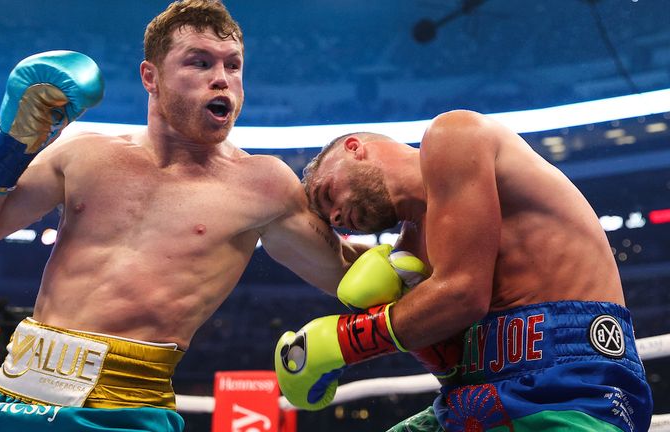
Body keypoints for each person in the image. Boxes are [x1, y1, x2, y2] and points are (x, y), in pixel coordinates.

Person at [0, 1, 363, 430]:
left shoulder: (264, 184)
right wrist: (12, 139)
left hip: (123, 411)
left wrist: (417, 223)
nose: (222, 80)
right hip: (8, 391)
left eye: (233, 65)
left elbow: (350, 279)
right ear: (150, 77)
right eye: (200, 63)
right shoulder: (85, 154)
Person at [274, 111, 654, 431]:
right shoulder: (411, 251)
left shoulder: (452, 137)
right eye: (333, 219)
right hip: (477, 397)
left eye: (328, 194)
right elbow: (451, 353)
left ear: (354, 148)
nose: (338, 215)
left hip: (571, 386)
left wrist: (341, 342)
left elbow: (463, 294)